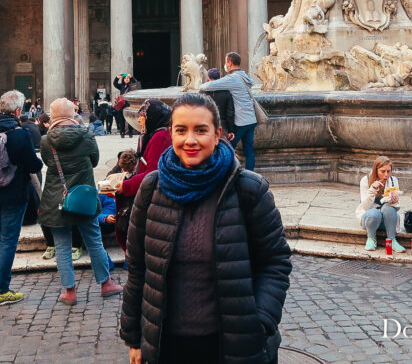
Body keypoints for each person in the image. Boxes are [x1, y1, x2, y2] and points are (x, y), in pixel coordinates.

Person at [120, 92, 290, 363]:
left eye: (201, 130)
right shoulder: (151, 189)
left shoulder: (248, 189)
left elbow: (275, 264)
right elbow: (138, 268)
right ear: (170, 134)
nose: (190, 140)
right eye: (181, 130)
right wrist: (133, 337)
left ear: (217, 133)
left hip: (231, 344)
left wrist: (260, 322)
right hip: (166, 344)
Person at [38, 98, 121, 306]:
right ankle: (106, 284)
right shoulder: (86, 135)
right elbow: (94, 161)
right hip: (83, 196)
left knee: (62, 246)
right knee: (94, 241)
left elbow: (48, 162)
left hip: (57, 198)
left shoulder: (46, 140)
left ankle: (69, 292)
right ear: (73, 114)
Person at [0, 90, 43, 307]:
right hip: (14, 194)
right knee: (8, 241)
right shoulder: (19, 133)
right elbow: (34, 165)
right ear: (16, 111)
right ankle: (1, 291)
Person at [198, 51, 257, 170]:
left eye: (226, 62)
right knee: (248, 150)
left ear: (229, 62)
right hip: (251, 119)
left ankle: (224, 173)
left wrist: (200, 86)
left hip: (241, 120)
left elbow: (208, 86)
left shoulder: (232, 78)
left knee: (227, 148)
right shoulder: (245, 76)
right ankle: (251, 175)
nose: (225, 64)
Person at [356, 155, 404, 252]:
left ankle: (392, 240)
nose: (386, 175)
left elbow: (397, 208)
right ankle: (371, 238)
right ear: (376, 170)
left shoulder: (393, 180)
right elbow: (365, 206)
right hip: (369, 219)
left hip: (387, 221)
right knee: (375, 213)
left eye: (388, 171)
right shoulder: (366, 180)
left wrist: (394, 201)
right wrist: (373, 190)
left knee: (389, 208)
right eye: (383, 171)